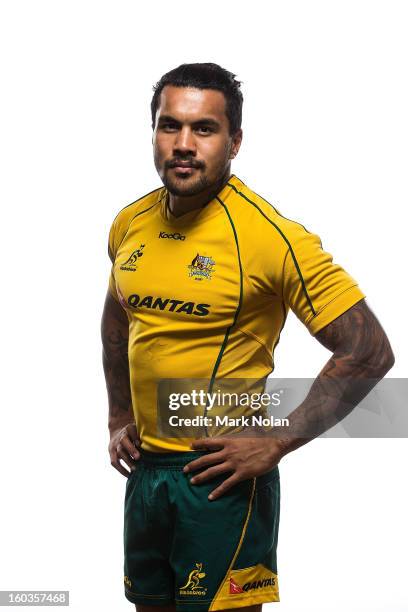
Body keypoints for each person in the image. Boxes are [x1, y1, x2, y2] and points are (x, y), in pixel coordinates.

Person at [101, 63, 394, 612]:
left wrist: (278, 442)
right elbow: (118, 321)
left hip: (220, 481)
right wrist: (120, 416)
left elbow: (368, 349)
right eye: (170, 127)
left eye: (204, 129)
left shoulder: (271, 238)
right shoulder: (129, 223)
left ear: (235, 141)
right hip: (147, 475)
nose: (184, 144)